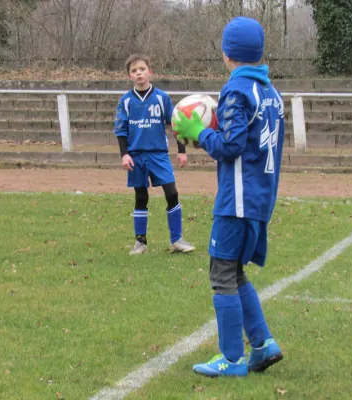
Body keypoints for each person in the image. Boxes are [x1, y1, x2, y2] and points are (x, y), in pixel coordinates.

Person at [172, 17, 285, 377]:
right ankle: (263, 343)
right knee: (234, 272)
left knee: (221, 273)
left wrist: (200, 133)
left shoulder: (237, 91)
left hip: (237, 200)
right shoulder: (271, 93)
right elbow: (249, 139)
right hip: (260, 198)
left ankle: (232, 358)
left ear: (226, 53)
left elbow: (231, 147)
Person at [114, 54, 195, 255]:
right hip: (136, 156)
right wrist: (125, 155)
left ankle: (177, 240)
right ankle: (140, 242)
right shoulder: (125, 101)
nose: (138, 73)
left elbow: (176, 124)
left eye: (142, 69)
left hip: (159, 155)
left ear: (150, 72)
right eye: (134, 71)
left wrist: (182, 151)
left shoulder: (161, 97)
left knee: (172, 193)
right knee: (141, 197)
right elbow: (121, 130)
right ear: (129, 76)